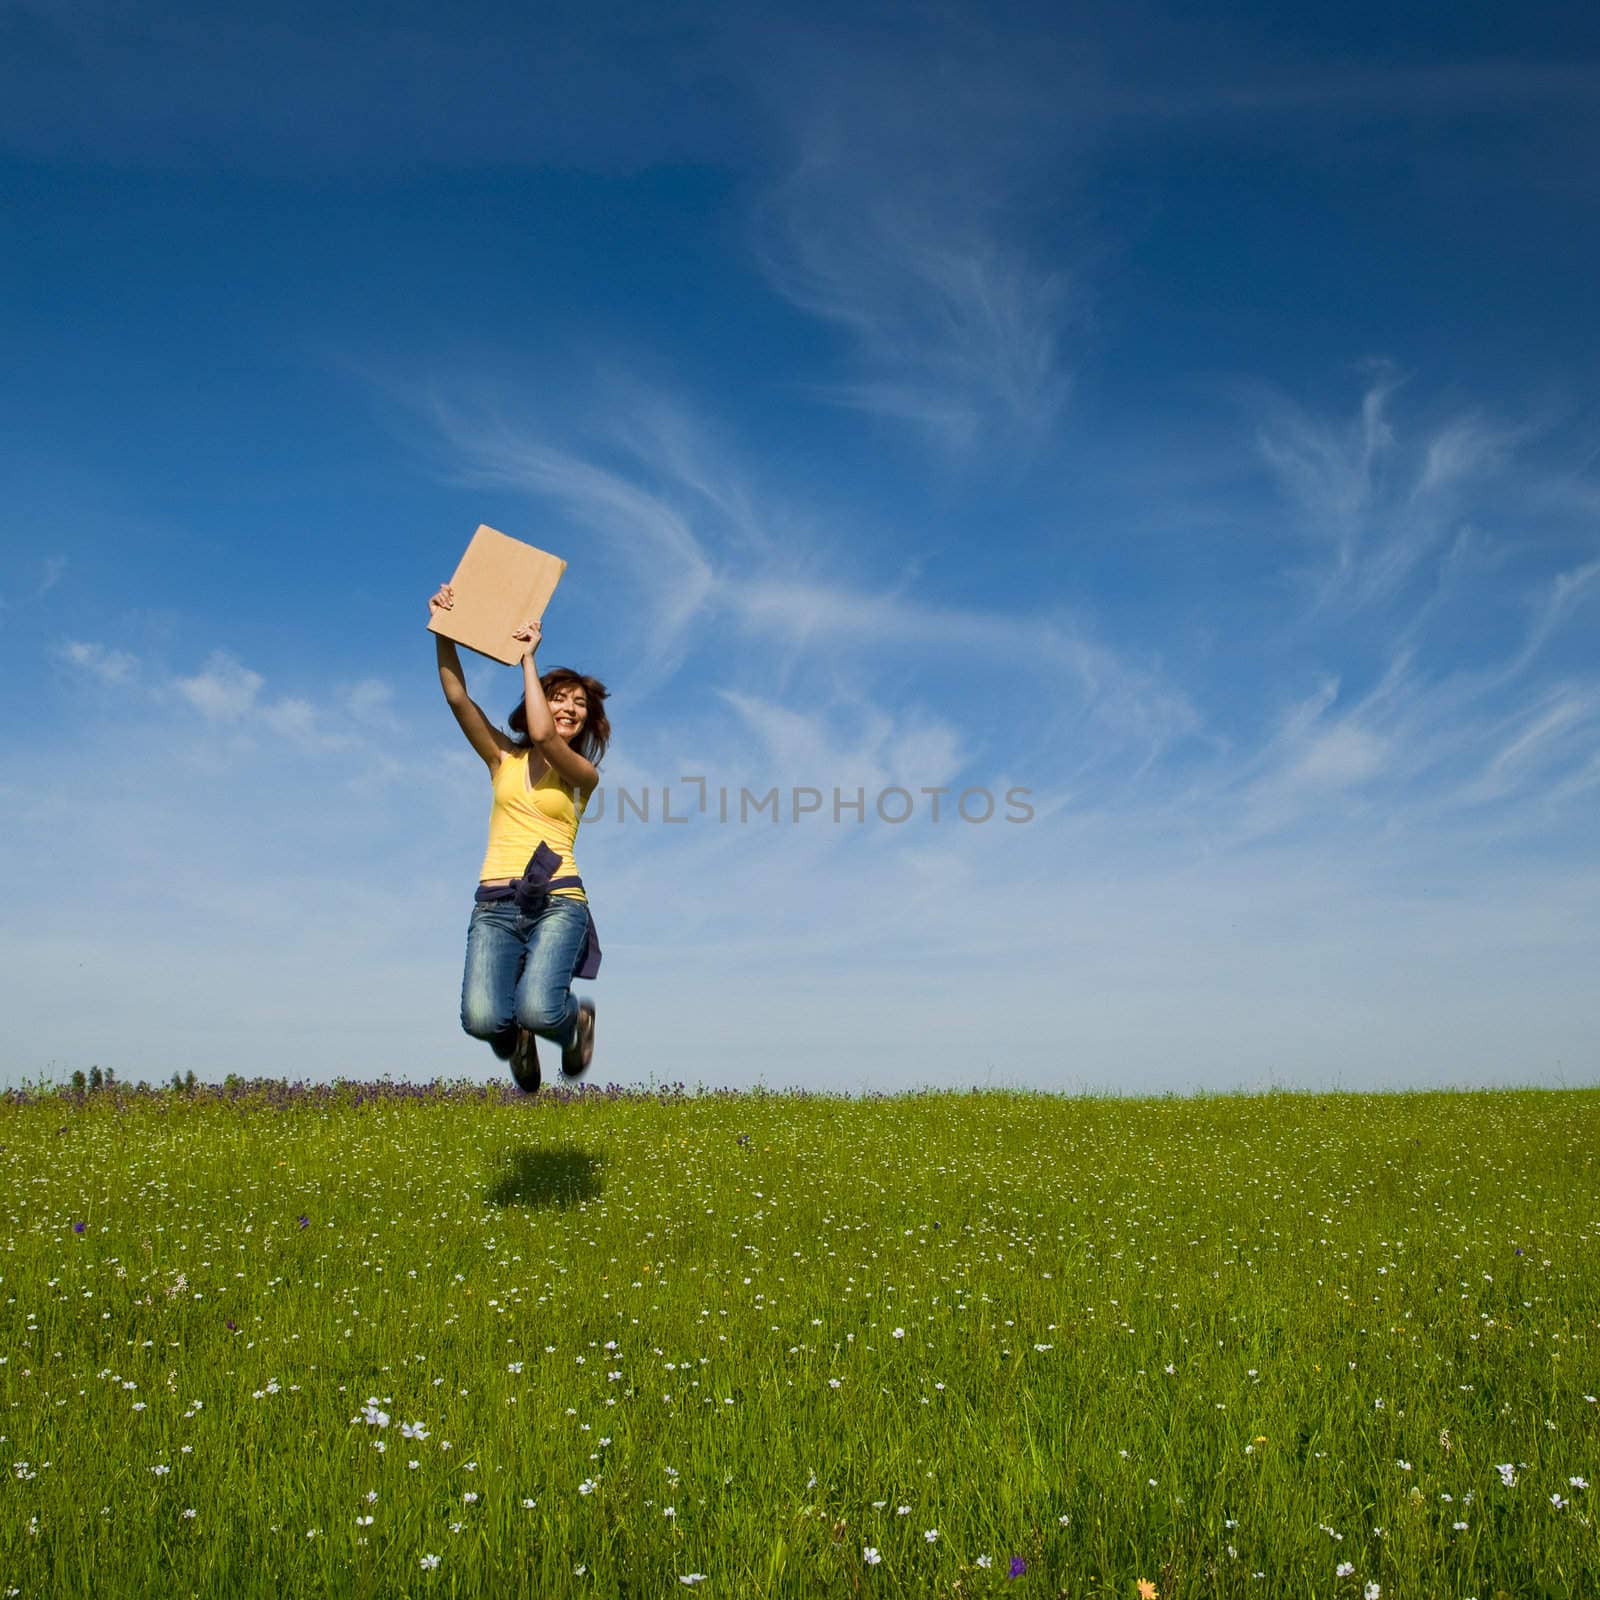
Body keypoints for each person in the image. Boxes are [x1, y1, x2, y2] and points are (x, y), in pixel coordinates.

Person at [428, 582, 609, 1092]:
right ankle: (518, 1043)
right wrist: (444, 629)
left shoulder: (582, 775)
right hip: (495, 904)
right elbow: (457, 696)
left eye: (578, 704)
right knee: (484, 1020)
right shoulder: (501, 759)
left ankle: (577, 1025)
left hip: (558, 899)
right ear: (537, 701)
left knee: (539, 1005)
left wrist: (529, 658)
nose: (569, 708)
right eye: (558, 698)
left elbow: (547, 736)